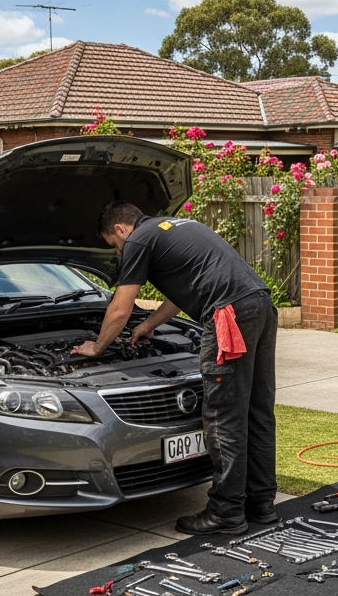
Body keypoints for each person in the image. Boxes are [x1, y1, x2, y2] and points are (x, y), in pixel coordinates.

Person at [72, 201, 278, 535]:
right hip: (260, 307)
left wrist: (96, 347)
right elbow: (185, 292)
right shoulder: (173, 227)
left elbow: (120, 309)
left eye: (114, 245)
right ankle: (262, 506)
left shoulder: (138, 240)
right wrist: (150, 324)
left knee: (223, 417)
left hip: (229, 317)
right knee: (257, 412)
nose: (118, 252)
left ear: (121, 230)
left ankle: (226, 512)